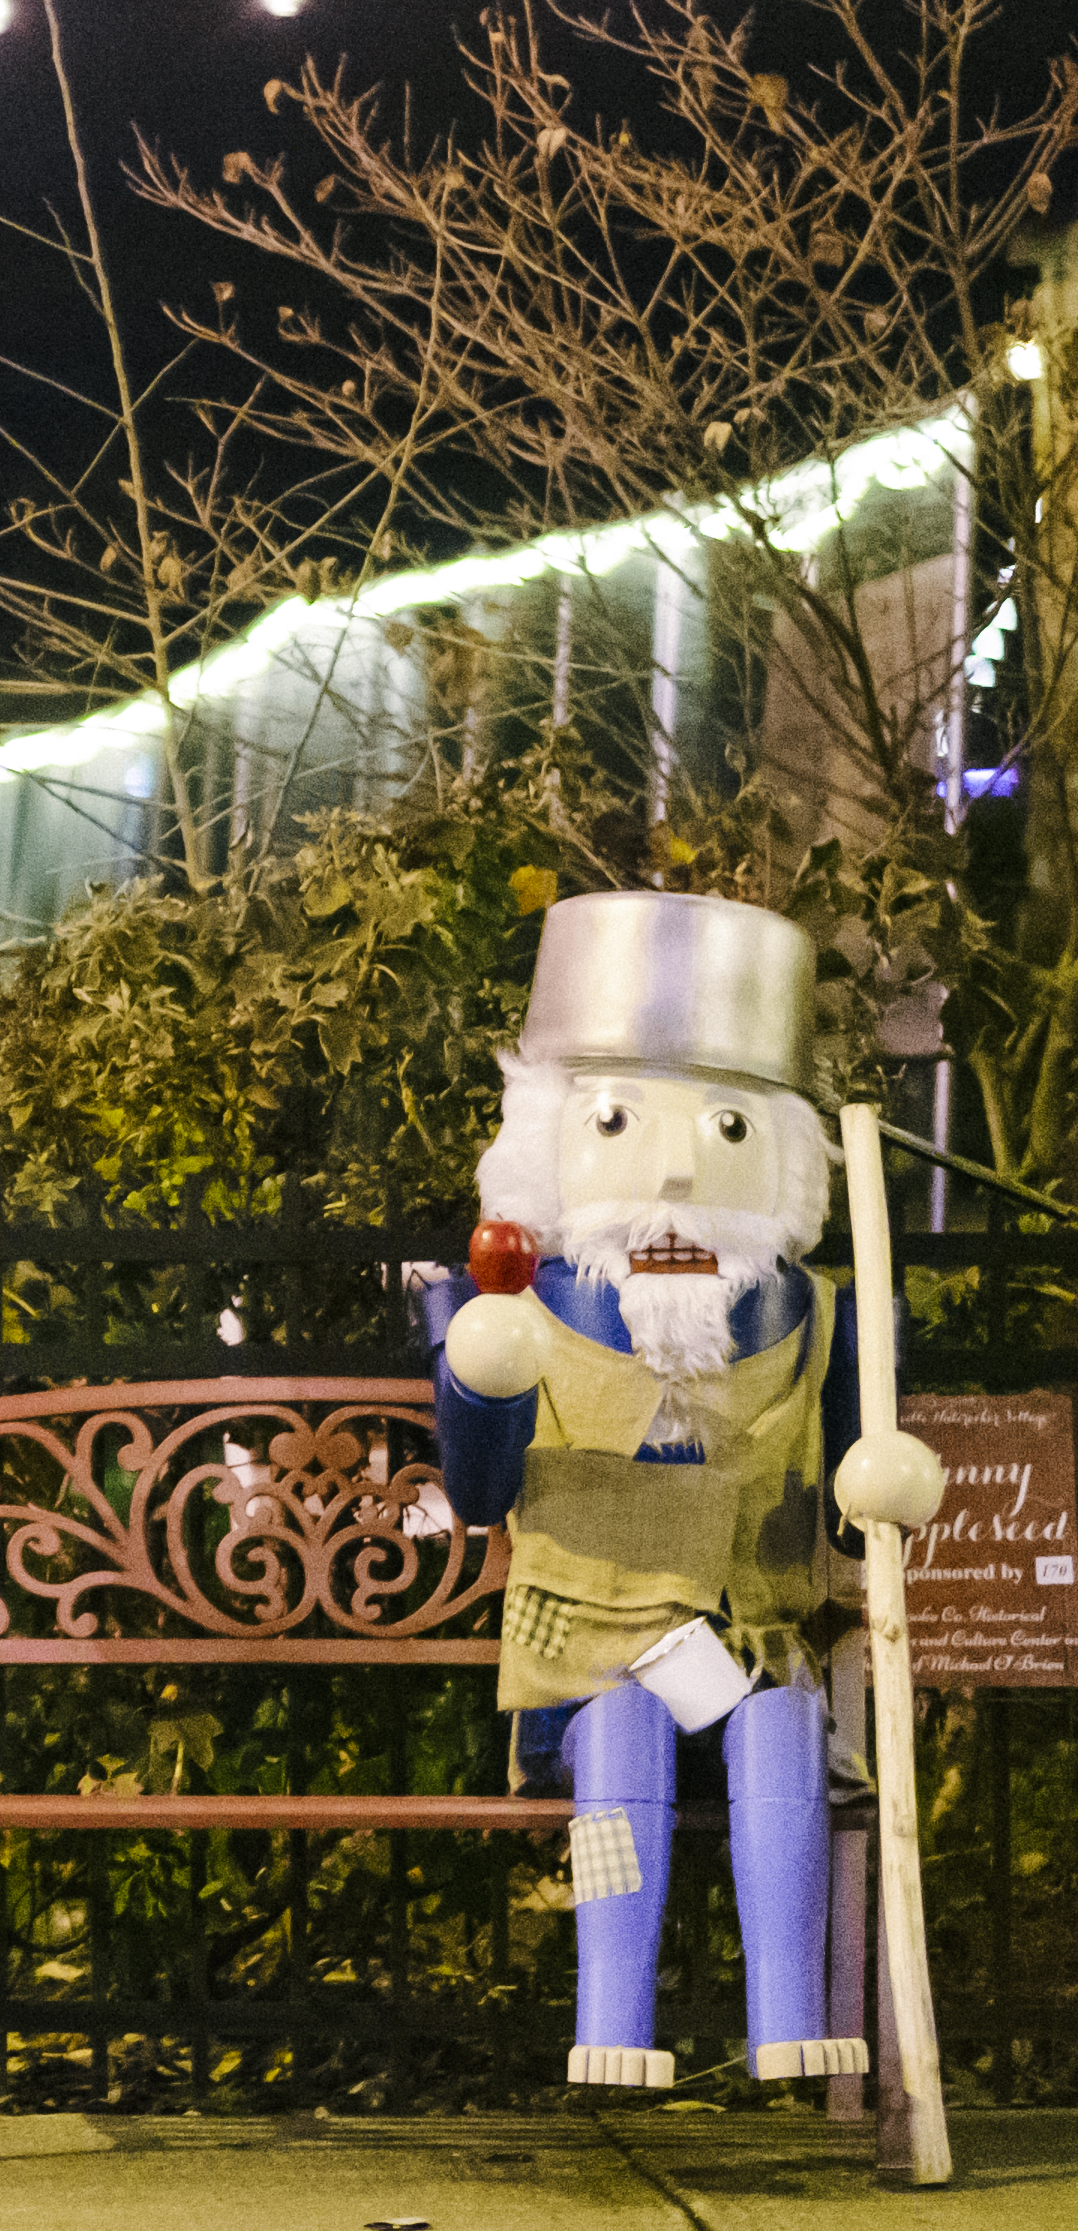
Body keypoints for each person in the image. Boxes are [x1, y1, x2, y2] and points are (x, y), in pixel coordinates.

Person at [433, 890, 942, 2090]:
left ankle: (785, 2017)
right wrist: (481, 1381)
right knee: (616, 1743)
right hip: (592, 1631)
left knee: (779, 1729)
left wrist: (878, 1480)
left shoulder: (819, 1315)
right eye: (617, 1121)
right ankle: (608, 2014)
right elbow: (475, 1488)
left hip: (751, 1623)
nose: (668, 1171)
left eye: (720, 1128)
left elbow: (848, 1479)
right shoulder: (517, 1308)